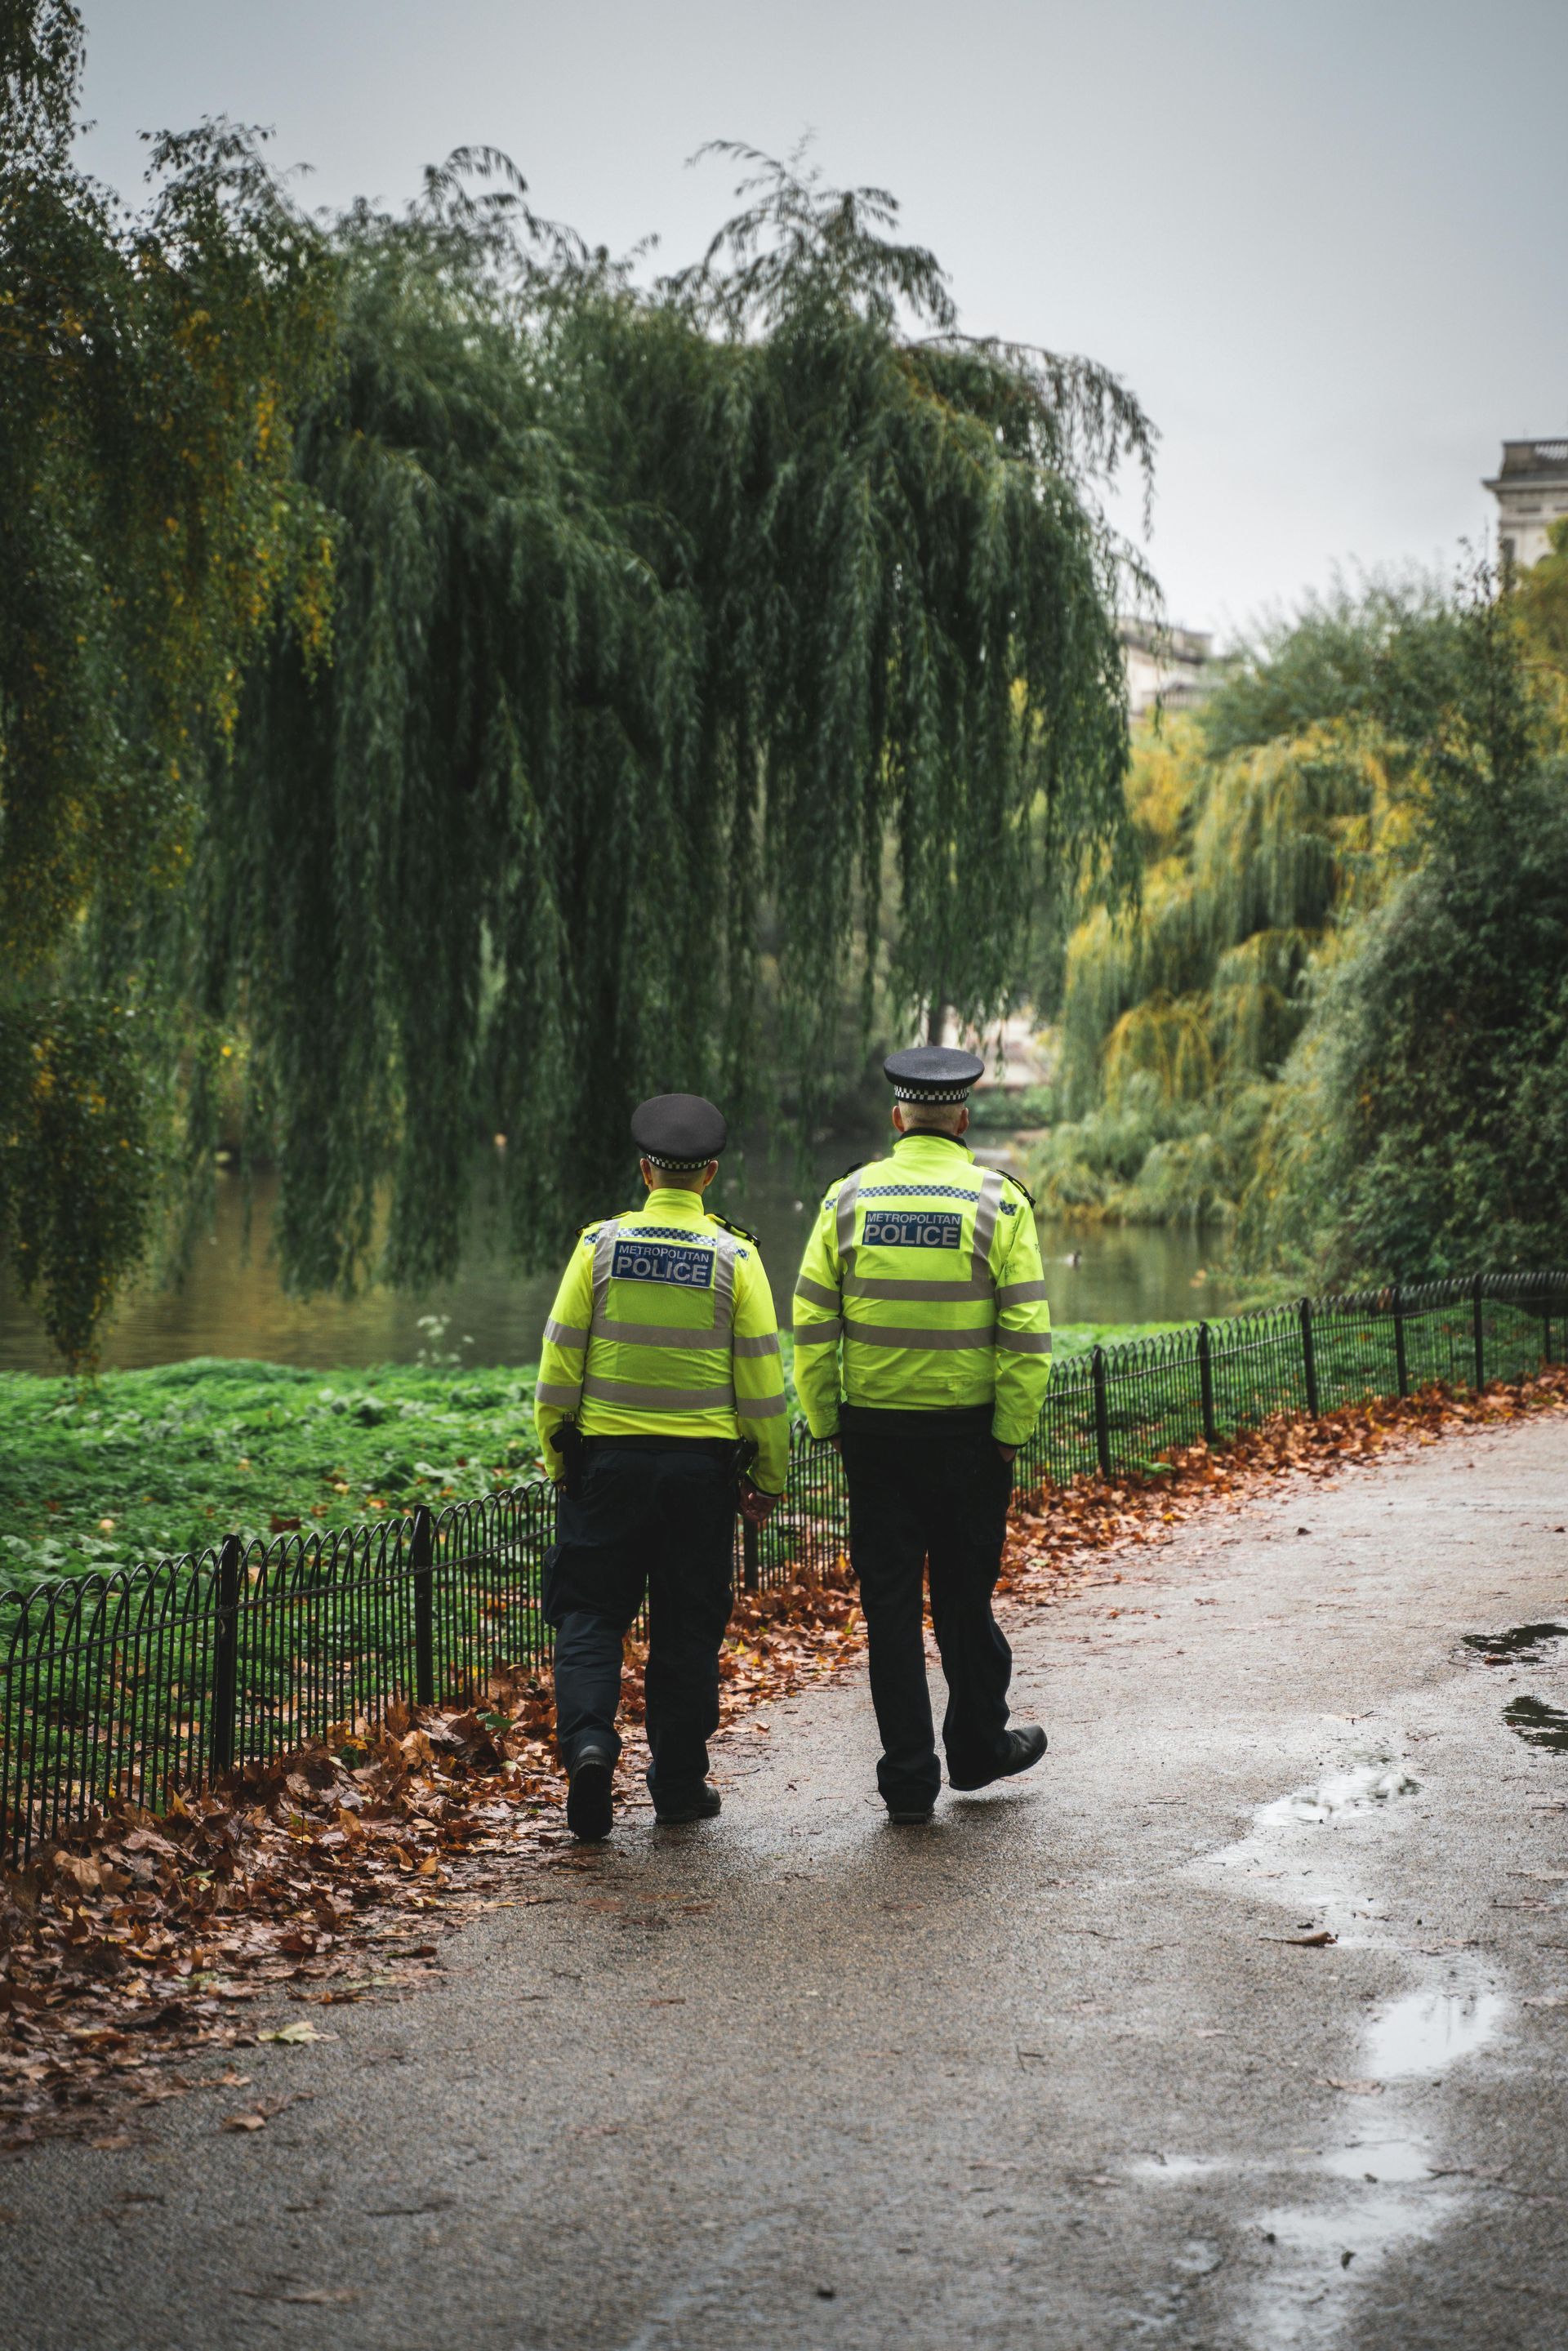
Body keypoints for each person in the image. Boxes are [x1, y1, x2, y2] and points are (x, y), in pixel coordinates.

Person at [791, 1046, 1053, 1824]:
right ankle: (976, 1747)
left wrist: (828, 1419)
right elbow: (1028, 1333)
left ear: (898, 1117)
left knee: (892, 1608)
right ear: (963, 1118)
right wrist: (1008, 1434)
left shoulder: (846, 1199)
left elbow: (810, 1321)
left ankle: (909, 1775)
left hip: (877, 1441)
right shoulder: (1000, 1204)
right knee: (966, 1600)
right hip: (971, 1439)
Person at [533, 1094, 787, 1841]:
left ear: (645, 1170)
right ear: (707, 1174)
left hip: (605, 1467)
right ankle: (678, 1786)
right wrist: (767, 1479)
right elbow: (763, 1387)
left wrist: (560, 1457)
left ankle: (587, 1743)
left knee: (589, 1615)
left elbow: (557, 1369)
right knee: (685, 1630)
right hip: (698, 1478)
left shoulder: (598, 1248)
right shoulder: (737, 1259)